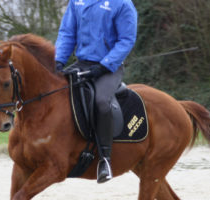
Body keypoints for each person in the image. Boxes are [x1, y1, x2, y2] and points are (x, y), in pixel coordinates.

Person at [55, 0, 137, 183]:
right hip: (82, 63)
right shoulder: (77, 1)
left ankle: (105, 160)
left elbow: (126, 40)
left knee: (101, 102)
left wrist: (104, 66)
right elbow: (67, 32)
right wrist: (58, 61)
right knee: (56, 94)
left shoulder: (122, 4)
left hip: (109, 68)